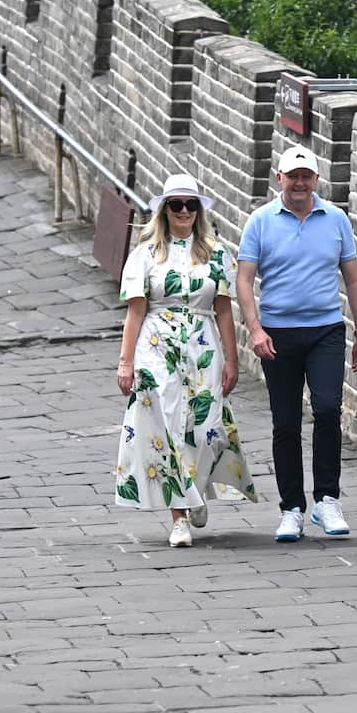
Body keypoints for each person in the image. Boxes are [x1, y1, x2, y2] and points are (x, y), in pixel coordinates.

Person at [114, 173, 258, 548]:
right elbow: (135, 310)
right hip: (157, 343)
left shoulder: (216, 252)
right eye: (175, 204)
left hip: (202, 343)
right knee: (166, 427)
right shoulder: (145, 255)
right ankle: (179, 516)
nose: (183, 211)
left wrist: (232, 360)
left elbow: (224, 310)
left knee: (206, 427)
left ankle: (193, 489)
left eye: (190, 204)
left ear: (198, 210)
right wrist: (126, 363)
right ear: (164, 209)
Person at [236, 146, 357, 542]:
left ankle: (327, 498)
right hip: (278, 334)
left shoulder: (335, 219)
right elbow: (244, 280)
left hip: (326, 329)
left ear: (316, 180)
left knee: (328, 409)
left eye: (305, 176)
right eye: (292, 176)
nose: (299, 183)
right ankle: (291, 508)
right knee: (286, 423)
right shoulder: (261, 221)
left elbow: (353, 279)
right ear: (279, 178)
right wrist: (256, 329)